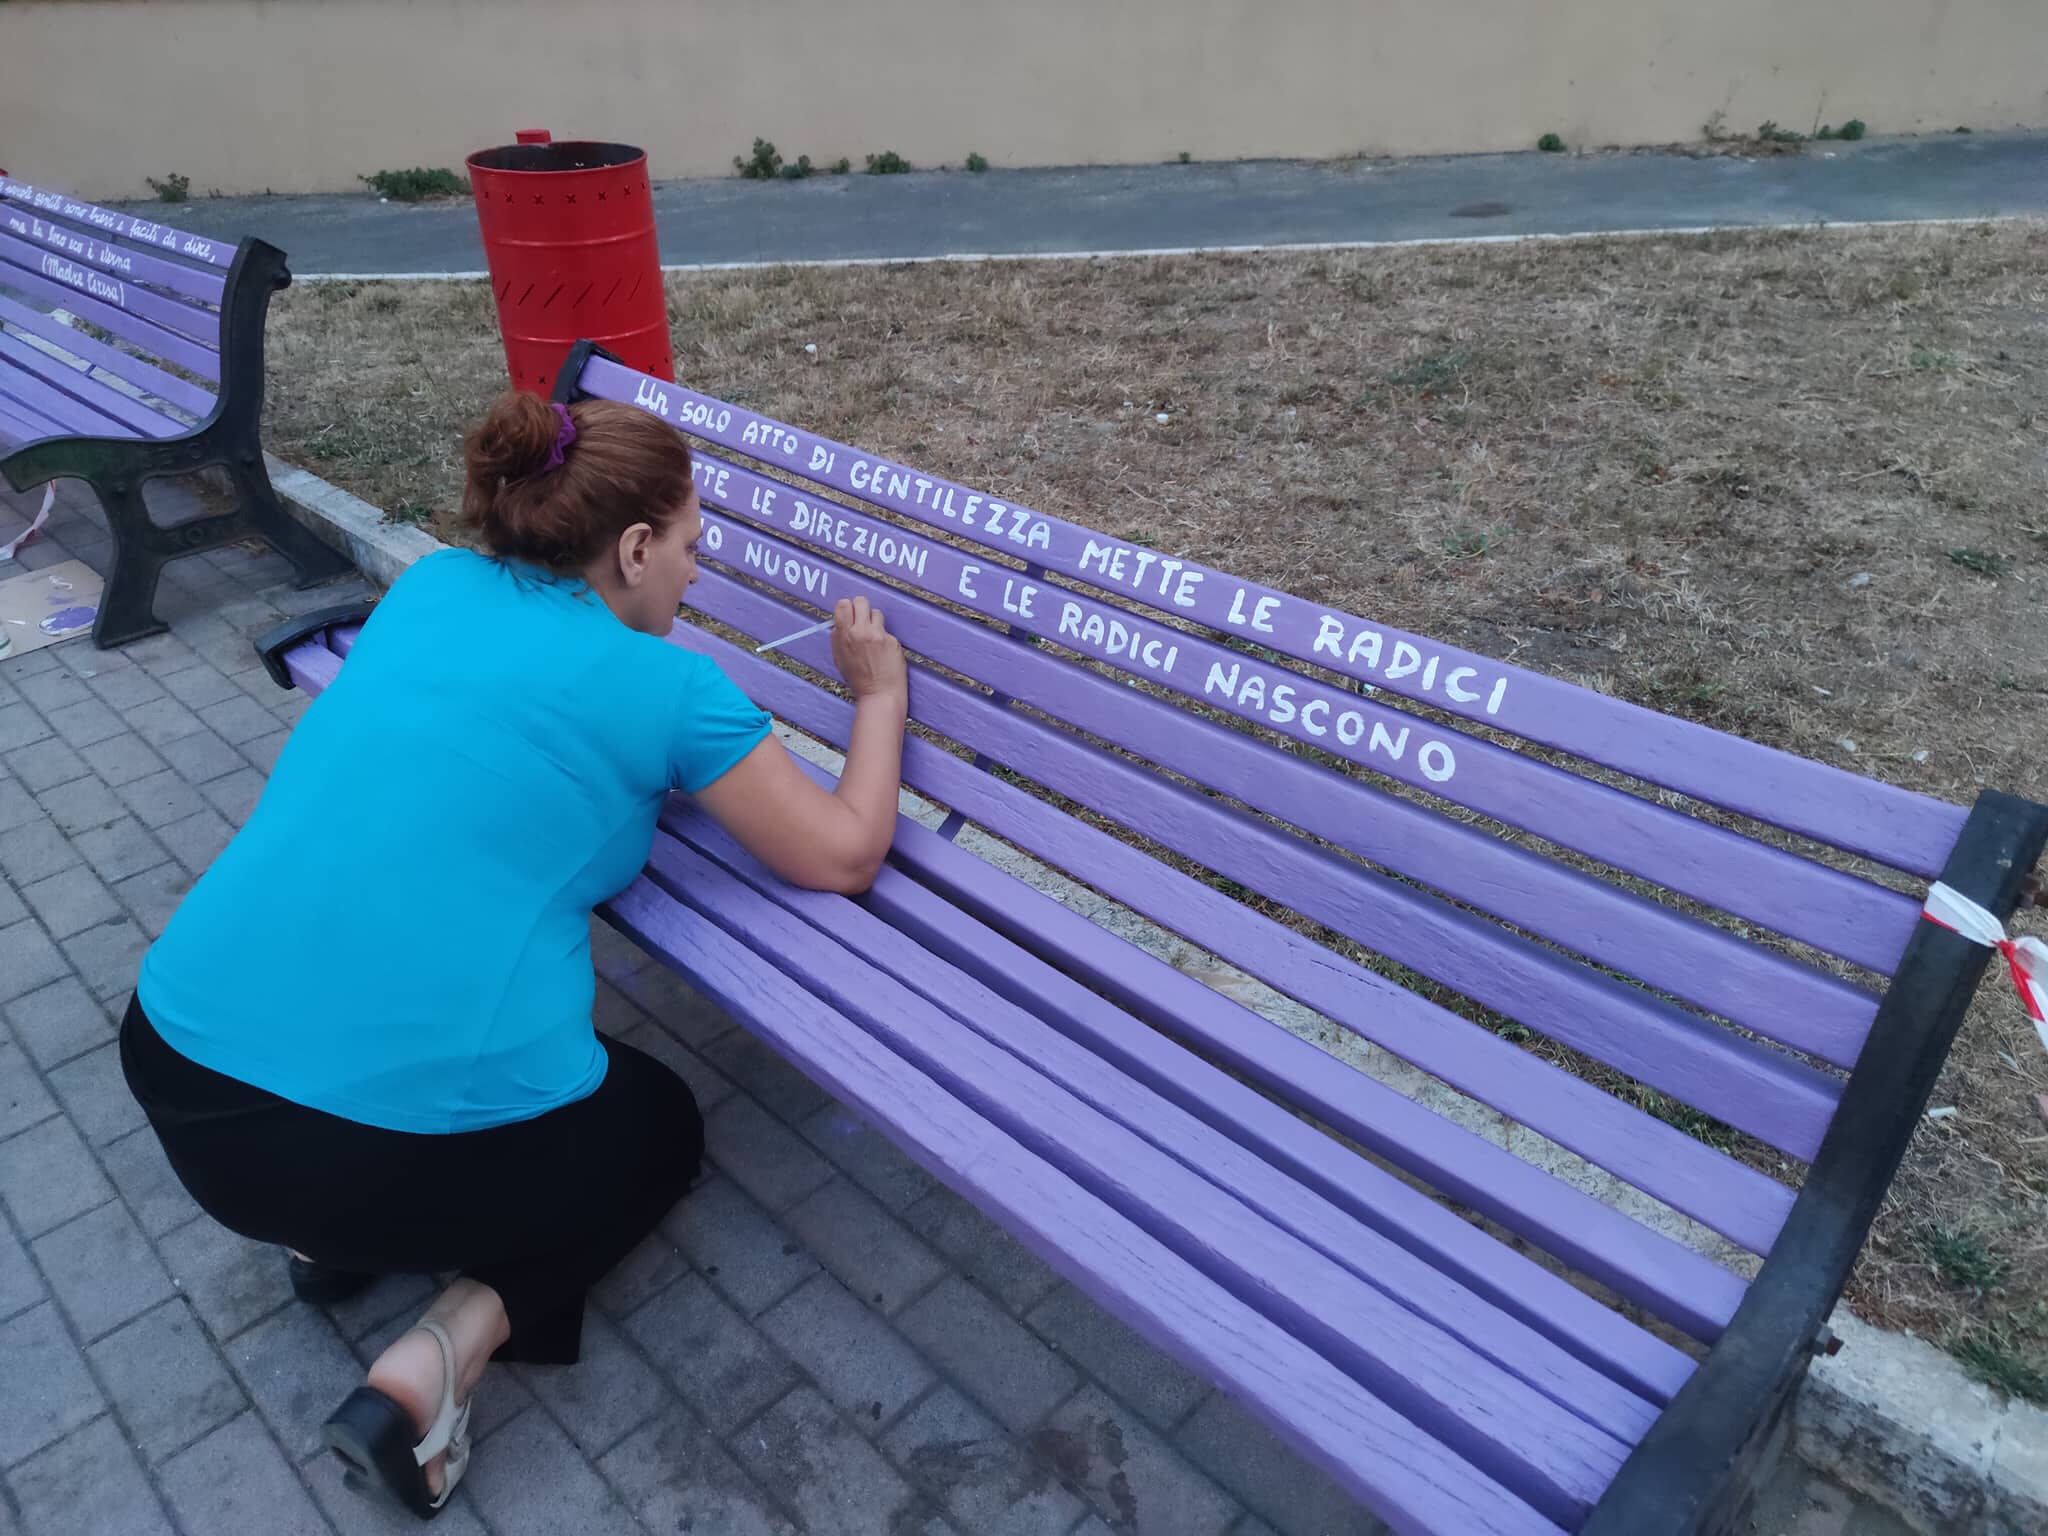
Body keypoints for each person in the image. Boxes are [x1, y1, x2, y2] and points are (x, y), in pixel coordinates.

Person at [119, 390, 910, 1520]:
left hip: (172, 1070)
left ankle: (327, 1247)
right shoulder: (670, 686)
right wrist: (875, 696)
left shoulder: (436, 583)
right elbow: (837, 856)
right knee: (653, 1121)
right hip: (345, 1156)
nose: (696, 576)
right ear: (634, 547)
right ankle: (439, 1354)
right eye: (691, 550)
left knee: (356, 1103)